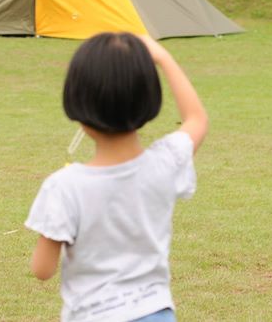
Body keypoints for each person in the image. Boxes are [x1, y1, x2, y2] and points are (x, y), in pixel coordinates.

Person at [25, 32, 208, 322]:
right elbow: (196, 118)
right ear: (149, 101)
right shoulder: (165, 163)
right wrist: (161, 57)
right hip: (156, 313)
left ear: (77, 104)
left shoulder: (63, 186)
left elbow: (42, 270)